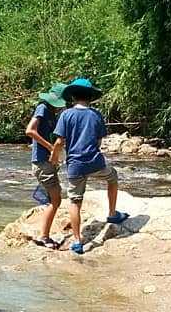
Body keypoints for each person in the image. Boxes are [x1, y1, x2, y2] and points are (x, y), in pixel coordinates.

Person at [48, 78, 129, 255]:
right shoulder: (96, 115)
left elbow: (60, 141)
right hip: (95, 162)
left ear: (73, 97)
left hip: (75, 166)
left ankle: (78, 241)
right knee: (112, 177)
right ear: (90, 97)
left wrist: (54, 157)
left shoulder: (66, 115)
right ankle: (112, 213)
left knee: (75, 201)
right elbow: (99, 142)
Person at [25, 84, 67, 248]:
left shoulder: (51, 113)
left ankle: (44, 233)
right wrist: (50, 148)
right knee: (55, 201)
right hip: (42, 162)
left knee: (53, 199)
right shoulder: (42, 108)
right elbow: (30, 130)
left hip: (46, 163)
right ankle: (44, 236)